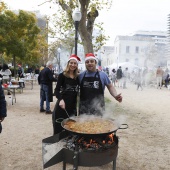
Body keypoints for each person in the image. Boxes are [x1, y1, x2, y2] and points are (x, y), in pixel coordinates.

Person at [52, 54, 81, 134]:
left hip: (72, 107)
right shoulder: (62, 75)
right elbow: (56, 90)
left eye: (75, 63)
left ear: (77, 65)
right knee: (59, 128)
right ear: (68, 64)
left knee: (71, 128)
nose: (73, 65)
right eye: (71, 63)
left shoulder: (77, 77)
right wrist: (60, 100)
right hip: (62, 106)